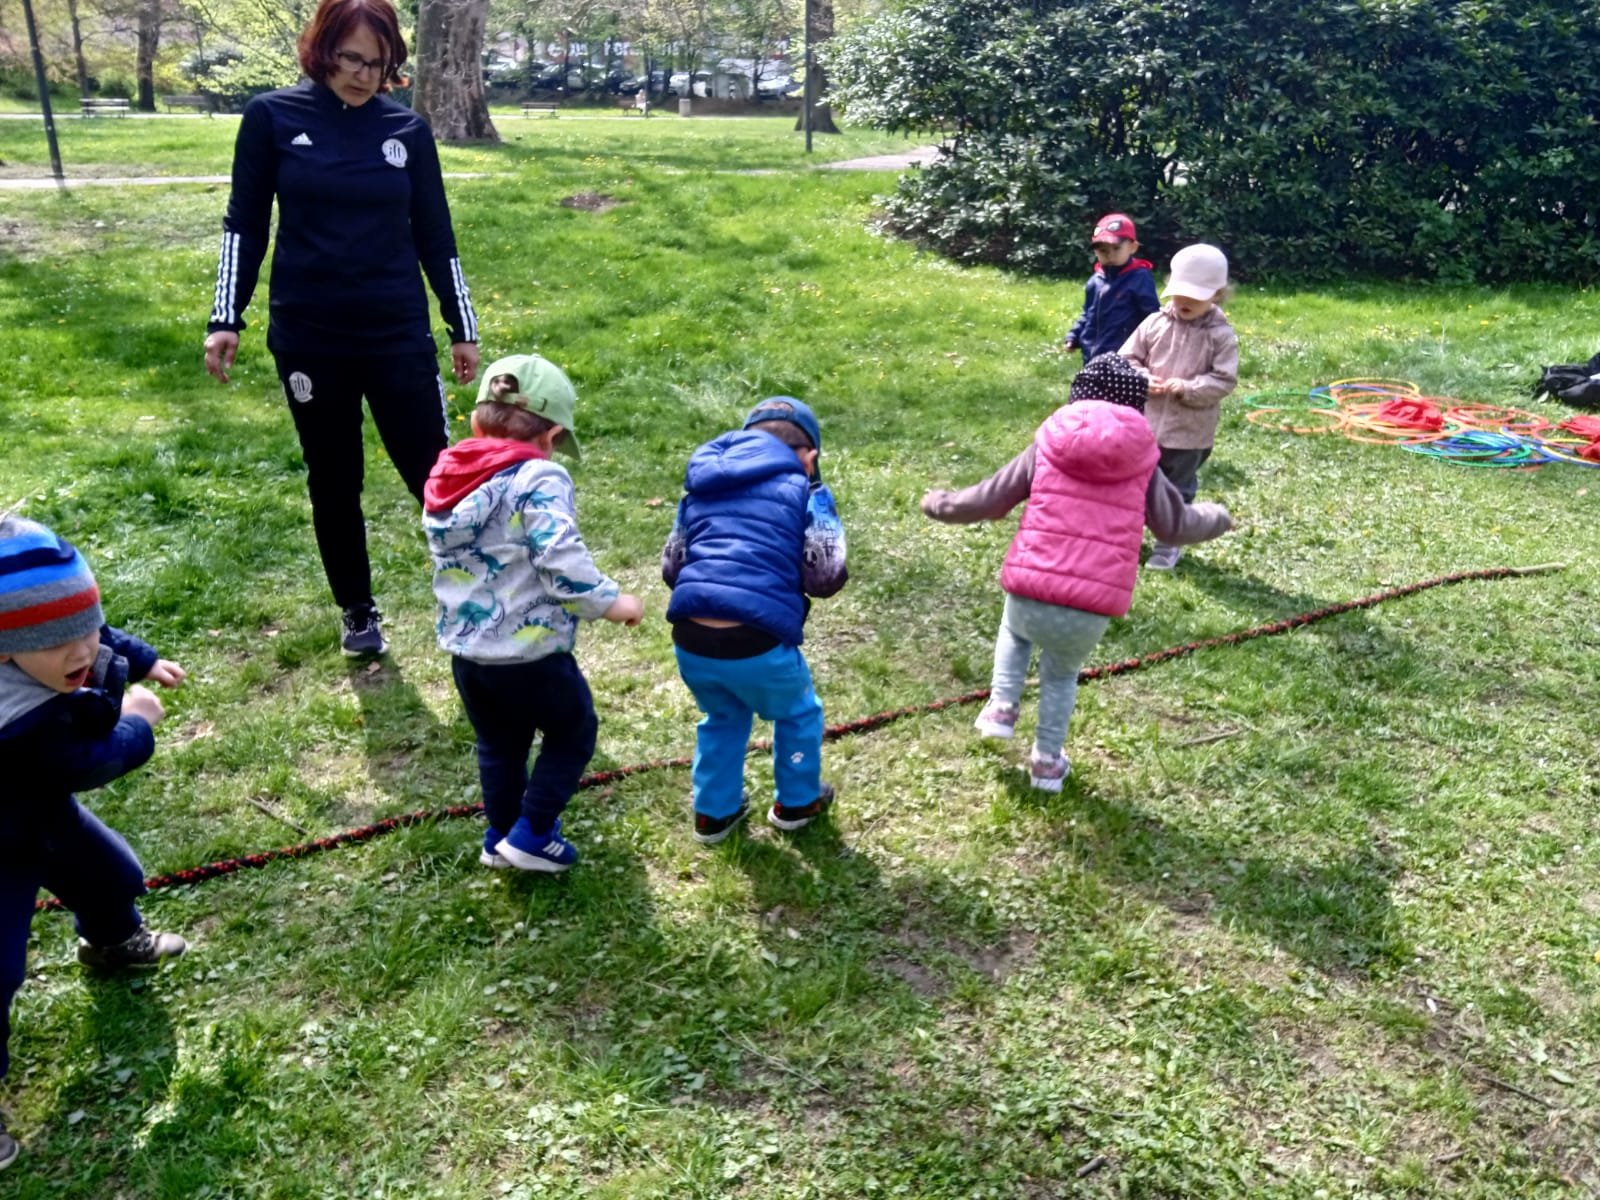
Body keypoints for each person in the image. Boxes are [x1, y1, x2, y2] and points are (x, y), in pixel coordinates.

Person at [202, 0, 482, 657]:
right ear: (322, 50)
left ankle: (477, 590)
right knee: (334, 477)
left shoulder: (407, 131)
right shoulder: (271, 118)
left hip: (396, 332)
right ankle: (357, 610)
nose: (363, 74)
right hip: (310, 336)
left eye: (378, 63)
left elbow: (436, 234)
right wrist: (225, 317)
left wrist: (460, 325)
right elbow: (245, 224)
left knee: (434, 472)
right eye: (351, 58)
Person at [920, 354, 1233, 790]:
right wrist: (1218, 516)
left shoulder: (1049, 442)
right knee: (1061, 676)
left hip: (1031, 586)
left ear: (1078, 396)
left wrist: (939, 502)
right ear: (1135, 407)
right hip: (1090, 607)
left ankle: (1002, 705)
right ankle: (1047, 764)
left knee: (1015, 632)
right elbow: (1174, 525)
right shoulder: (1143, 459)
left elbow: (990, 499)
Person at [0, 516, 189, 1170]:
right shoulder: (19, 720)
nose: (82, 651)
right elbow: (87, 763)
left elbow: (100, 638)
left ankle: (110, 942)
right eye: (61, 643)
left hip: (40, 817)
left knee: (112, 876)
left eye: (88, 626)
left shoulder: (59, 641)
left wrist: (142, 658)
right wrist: (137, 722)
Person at [423, 355, 643, 873]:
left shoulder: (448, 478)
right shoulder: (539, 476)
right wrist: (611, 603)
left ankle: (499, 835)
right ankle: (533, 834)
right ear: (552, 435)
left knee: (499, 745)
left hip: (469, 655)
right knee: (572, 733)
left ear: (476, 423)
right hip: (531, 653)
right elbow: (559, 556)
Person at [661, 398, 848, 844]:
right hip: (758, 638)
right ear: (809, 457)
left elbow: (672, 566)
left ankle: (713, 812)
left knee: (722, 715)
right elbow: (826, 575)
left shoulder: (700, 486)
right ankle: (797, 802)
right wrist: (817, 497)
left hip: (691, 638)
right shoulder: (804, 491)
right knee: (797, 712)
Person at [1118, 243, 1239, 570]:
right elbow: (1127, 358)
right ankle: (1126, 536)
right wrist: (1142, 378)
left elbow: (1224, 380)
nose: (1184, 302)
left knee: (1175, 489)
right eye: (1179, 294)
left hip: (1189, 434)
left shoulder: (1220, 335)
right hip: (1145, 425)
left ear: (1217, 295)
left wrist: (1188, 388)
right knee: (1135, 483)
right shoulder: (1154, 323)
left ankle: (1168, 542)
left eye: (1195, 297)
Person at [1062, 212, 1160, 363]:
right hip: (1092, 354)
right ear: (1095, 251)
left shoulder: (1139, 277)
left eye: (1116, 248)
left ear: (1133, 247)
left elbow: (1151, 315)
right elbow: (1087, 313)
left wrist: (1154, 344)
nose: (1110, 255)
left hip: (1123, 355)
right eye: (1103, 250)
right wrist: (1074, 336)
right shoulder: (1096, 281)